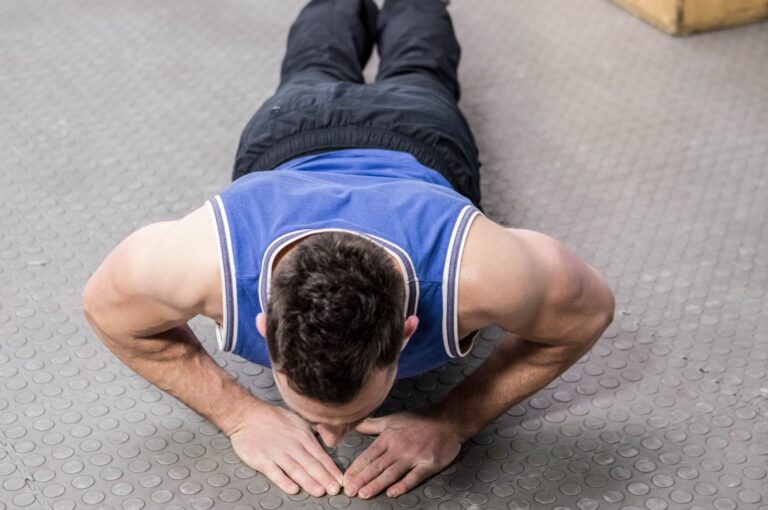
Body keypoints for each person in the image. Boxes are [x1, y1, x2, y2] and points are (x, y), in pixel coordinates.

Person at [82, 0, 615, 501]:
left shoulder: (474, 273)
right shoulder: (203, 261)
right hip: (293, 131)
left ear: (407, 329)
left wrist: (456, 417)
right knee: (314, 63)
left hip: (416, 132)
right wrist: (239, 414)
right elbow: (106, 311)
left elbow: (590, 312)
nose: (333, 437)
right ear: (267, 325)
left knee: (421, 70)